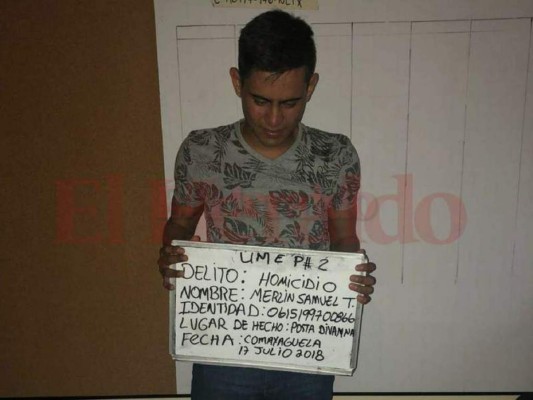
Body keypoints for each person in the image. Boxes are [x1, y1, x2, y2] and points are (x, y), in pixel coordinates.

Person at [157, 9, 376, 400]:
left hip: (308, 347)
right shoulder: (201, 150)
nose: (274, 118)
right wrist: (170, 255)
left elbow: (344, 238)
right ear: (236, 82)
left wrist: (351, 277)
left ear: (311, 86)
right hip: (222, 348)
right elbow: (179, 225)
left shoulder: (336, 155)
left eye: (290, 103)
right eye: (260, 101)